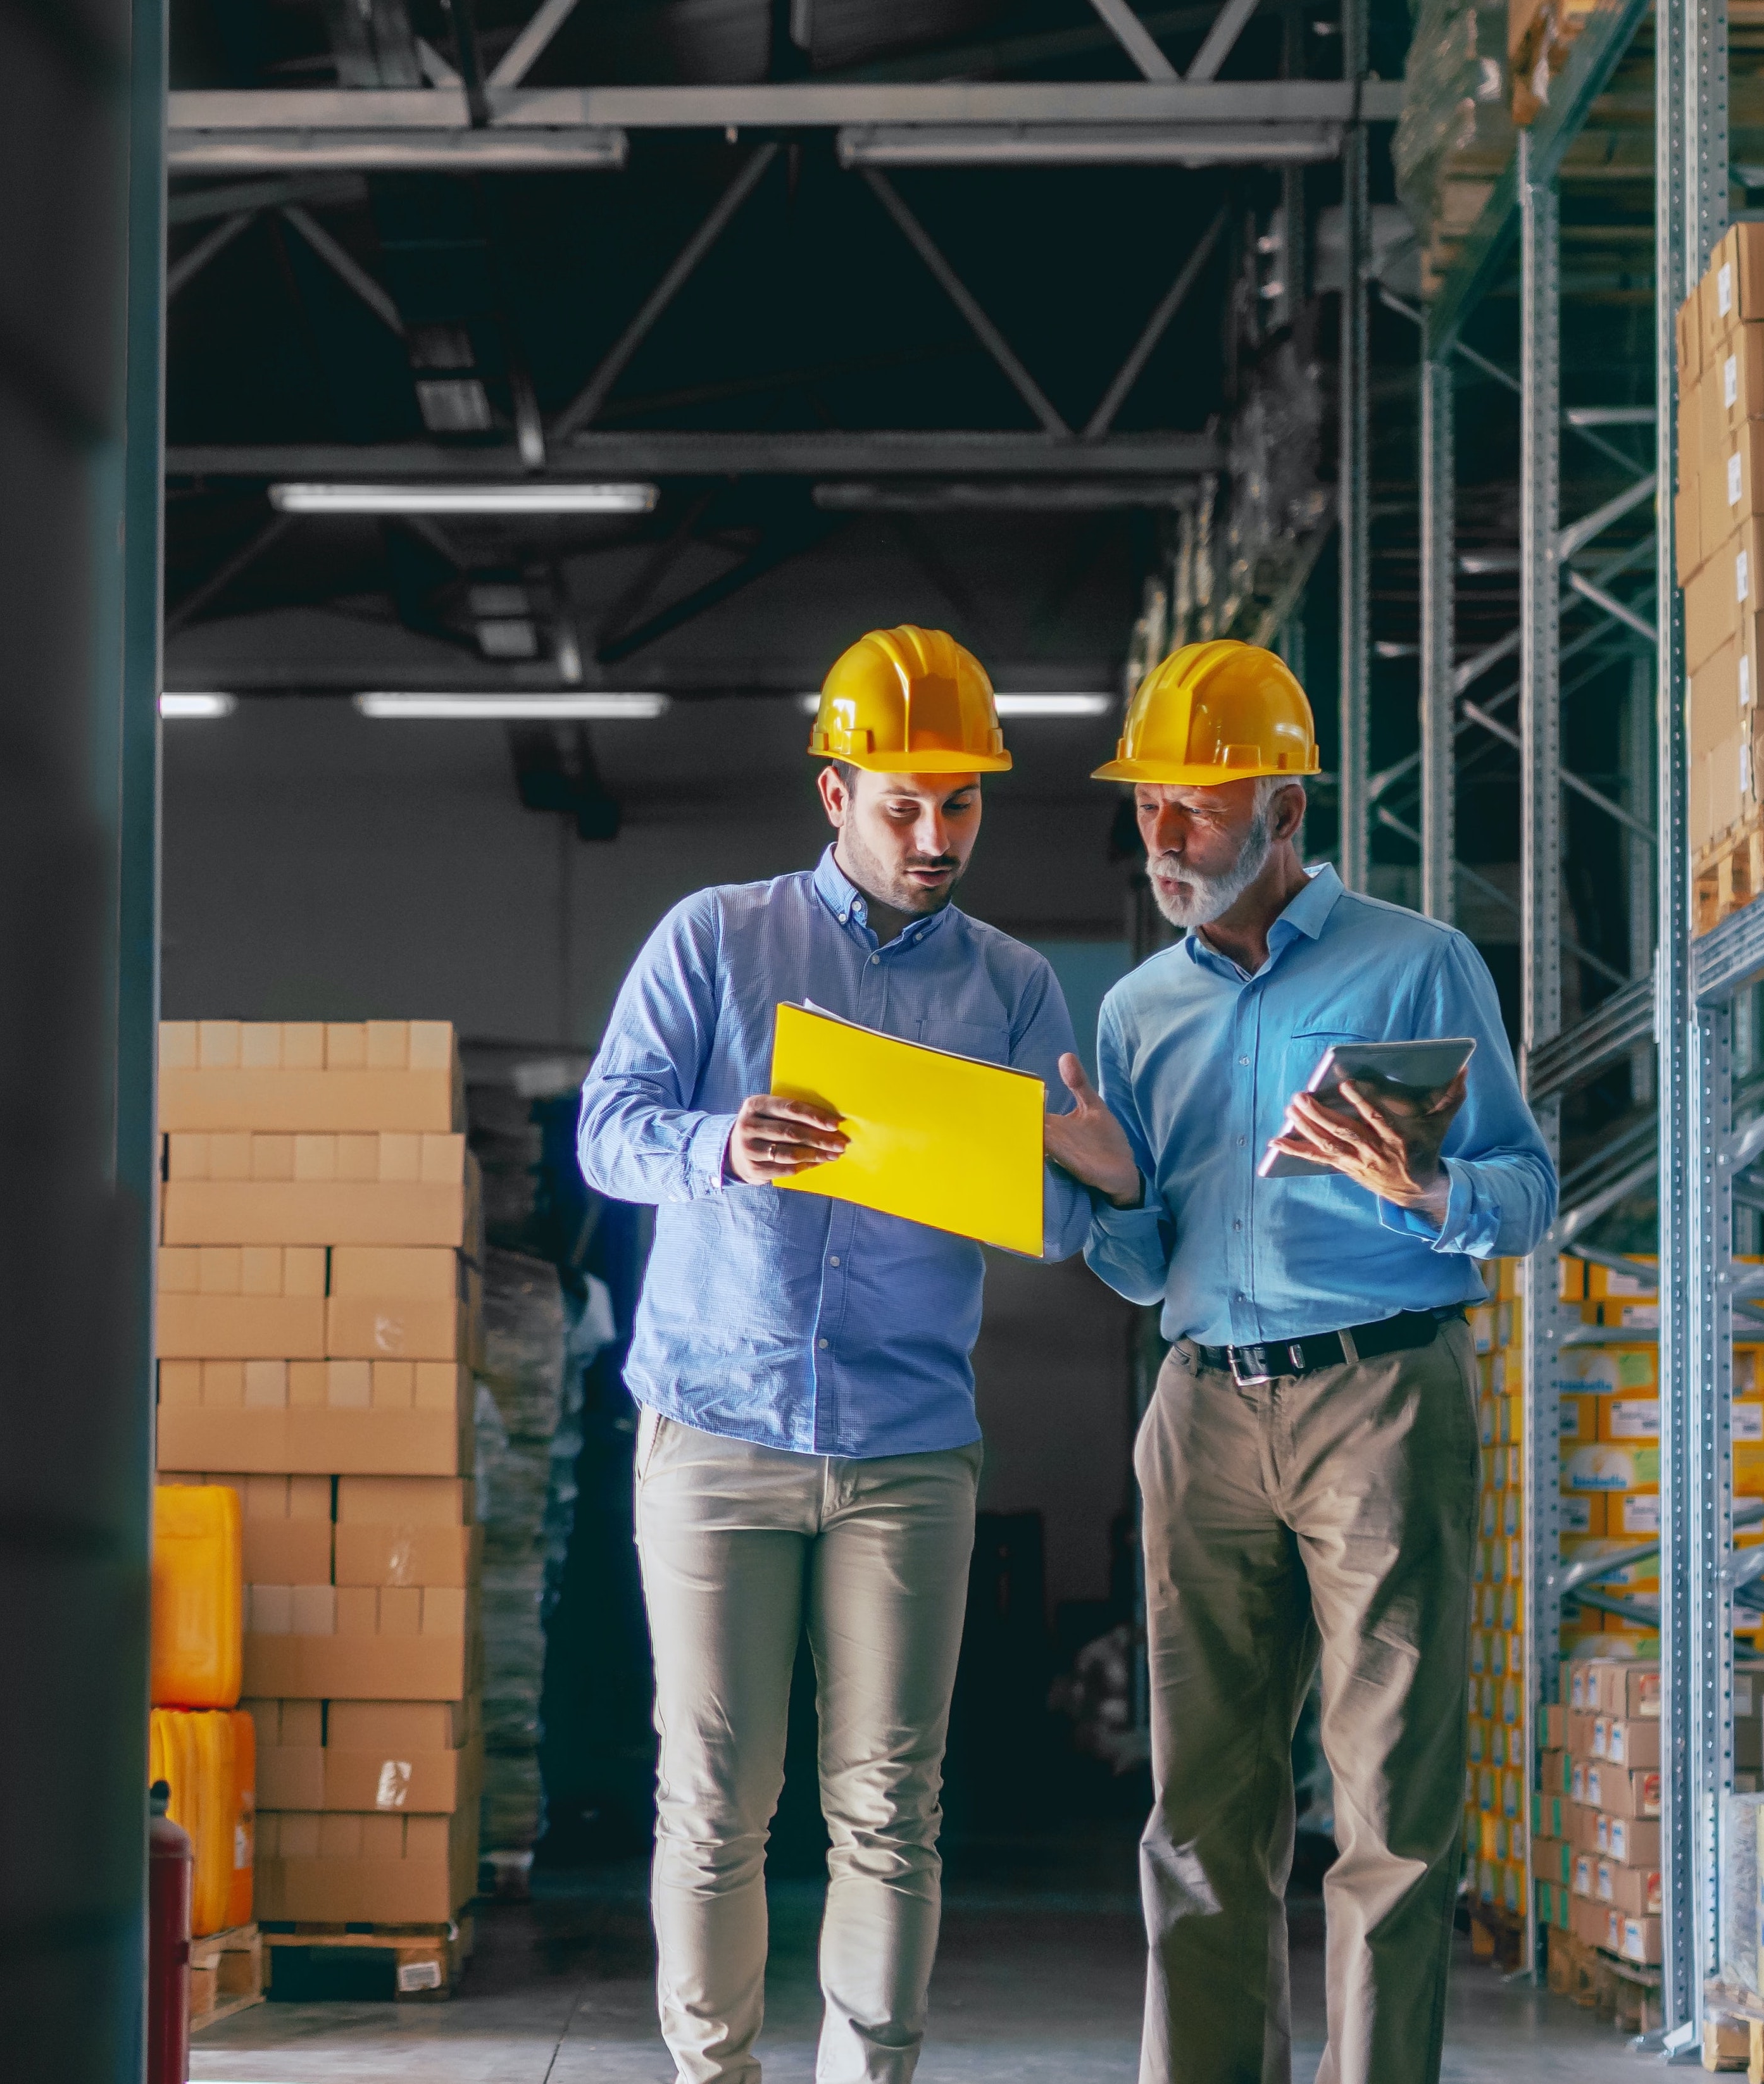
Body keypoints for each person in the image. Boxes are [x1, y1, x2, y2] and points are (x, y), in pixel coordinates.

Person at [577, 626, 1101, 2084]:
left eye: (964, 806)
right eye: (903, 806)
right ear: (834, 793)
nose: (938, 839)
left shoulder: (1013, 991)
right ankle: (715, 2072)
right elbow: (607, 1132)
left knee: (890, 1806)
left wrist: (1093, 1170)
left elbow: (1056, 1230)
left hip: (906, 1446)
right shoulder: (717, 939)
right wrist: (719, 1141)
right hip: (716, 1432)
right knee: (715, 1801)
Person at [1037, 640, 1557, 2084]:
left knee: (1389, 1805)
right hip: (1199, 1410)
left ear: (1286, 815)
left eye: (1196, 807)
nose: (1164, 835)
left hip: (1381, 1399)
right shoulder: (1139, 1013)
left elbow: (1527, 1192)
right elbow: (1148, 1270)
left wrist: (1427, 1191)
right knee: (1200, 1808)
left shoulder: (1418, 963)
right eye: (1149, 805)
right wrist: (1104, 1194)